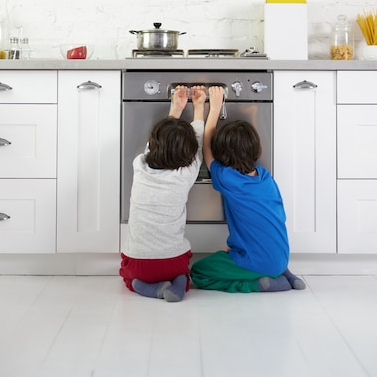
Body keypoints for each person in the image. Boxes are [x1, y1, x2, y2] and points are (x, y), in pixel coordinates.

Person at [190, 86, 306, 293]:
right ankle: (284, 273)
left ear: (223, 154)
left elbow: (206, 148)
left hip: (254, 261)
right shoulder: (265, 177)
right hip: (281, 256)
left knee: (199, 272)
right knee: (255, 251)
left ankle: (260, 283)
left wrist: (214, 108)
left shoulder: (228, 177)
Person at [119, 84, 207, 302]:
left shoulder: (140, 165)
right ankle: (178, 282)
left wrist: (176, 108)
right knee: (182, 270)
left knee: (127, 274)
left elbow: (153, 147)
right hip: (172, 261)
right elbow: (198, 142)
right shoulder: (186, 174)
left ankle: (142, 286)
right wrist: (199, 107)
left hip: (138, 262)